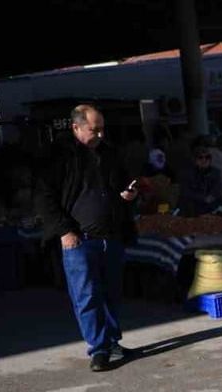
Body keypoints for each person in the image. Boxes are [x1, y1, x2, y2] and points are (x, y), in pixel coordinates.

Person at [35, 104, 140, 372]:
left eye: (102, 129)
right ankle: (99, 349)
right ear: (76, 127)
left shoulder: (109, 153)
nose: (101, 135)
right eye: (95, 130)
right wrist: (64, 231)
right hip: (79, 239)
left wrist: (129, 194)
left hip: (111, 236)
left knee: (112, 293)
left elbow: (123, 183)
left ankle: (113, 341)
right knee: (87, 295)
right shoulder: (58, 157)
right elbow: (44, 198)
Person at [179, 147, 222, 216]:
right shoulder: (188, 173)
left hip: (212, 207)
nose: (204, 160)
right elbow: (185, 192)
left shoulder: (215, 172)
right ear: (195, 160)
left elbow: (218, 188)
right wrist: (203, 198)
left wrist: (211, 196)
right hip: (194, 208)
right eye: (200, 157)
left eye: (207, 157)